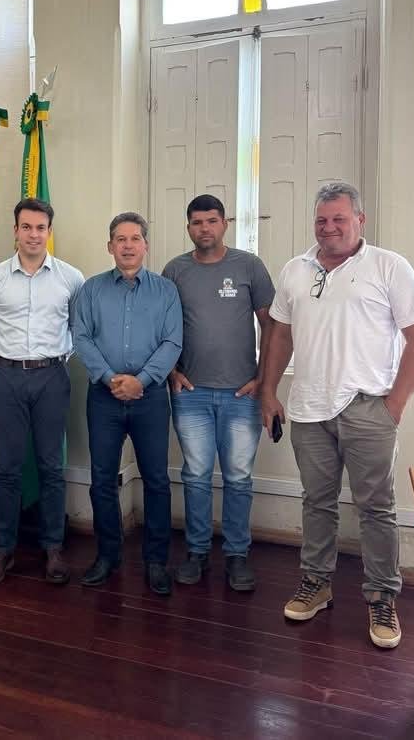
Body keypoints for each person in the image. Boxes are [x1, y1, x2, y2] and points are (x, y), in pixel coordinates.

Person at [261, 181, 414, 649]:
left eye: (339, 219)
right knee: (316, 502)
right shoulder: (296, 270)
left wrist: (394, 405)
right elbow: (280, 336)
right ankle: (316, 583)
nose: (329, 227)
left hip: (368, 408)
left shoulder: (388, 266)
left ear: (360, 219)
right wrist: (269, 392)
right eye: (321, 220)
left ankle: (382, 598)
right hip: (308, 408)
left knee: (376, 508)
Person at [163, 194, 274, 591]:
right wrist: (171, 371)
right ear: (188, 227)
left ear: (225, 224)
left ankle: (237, 554)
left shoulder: (249, 266)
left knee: (238, 477)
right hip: (190, 392)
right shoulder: (175, 270)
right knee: (195, 475)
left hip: (242, 395)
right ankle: (196, 551)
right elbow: (161, 325)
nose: (204, 228)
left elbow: (272, 325)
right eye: (197, 222)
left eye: (211, 220)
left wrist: (264, 378)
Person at [0, 198, 84, 586]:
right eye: (26, 227)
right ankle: (3, 548)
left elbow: (78, 329)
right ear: (15, 231)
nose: (33, 235)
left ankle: (53, 547)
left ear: (49, 232)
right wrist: (12, 360)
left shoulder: (71, 278)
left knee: (51, 466)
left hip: (52, 377)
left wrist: (53, 360)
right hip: (6, 377)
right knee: (6, 467)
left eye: (40, 228)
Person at [74, 213, 182, 595]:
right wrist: (110, 379)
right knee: (102, 479)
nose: (128, 245)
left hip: (150, 398)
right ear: (110, 246)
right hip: (103, 398)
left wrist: (142, 380)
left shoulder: (166, 291)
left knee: (156, 480)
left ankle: (156, 561)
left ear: (145, 245)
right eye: (120, 239)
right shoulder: (91, 290)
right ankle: (108, 556)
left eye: (135, 238)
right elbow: (81, 337)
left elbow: (172, 342)